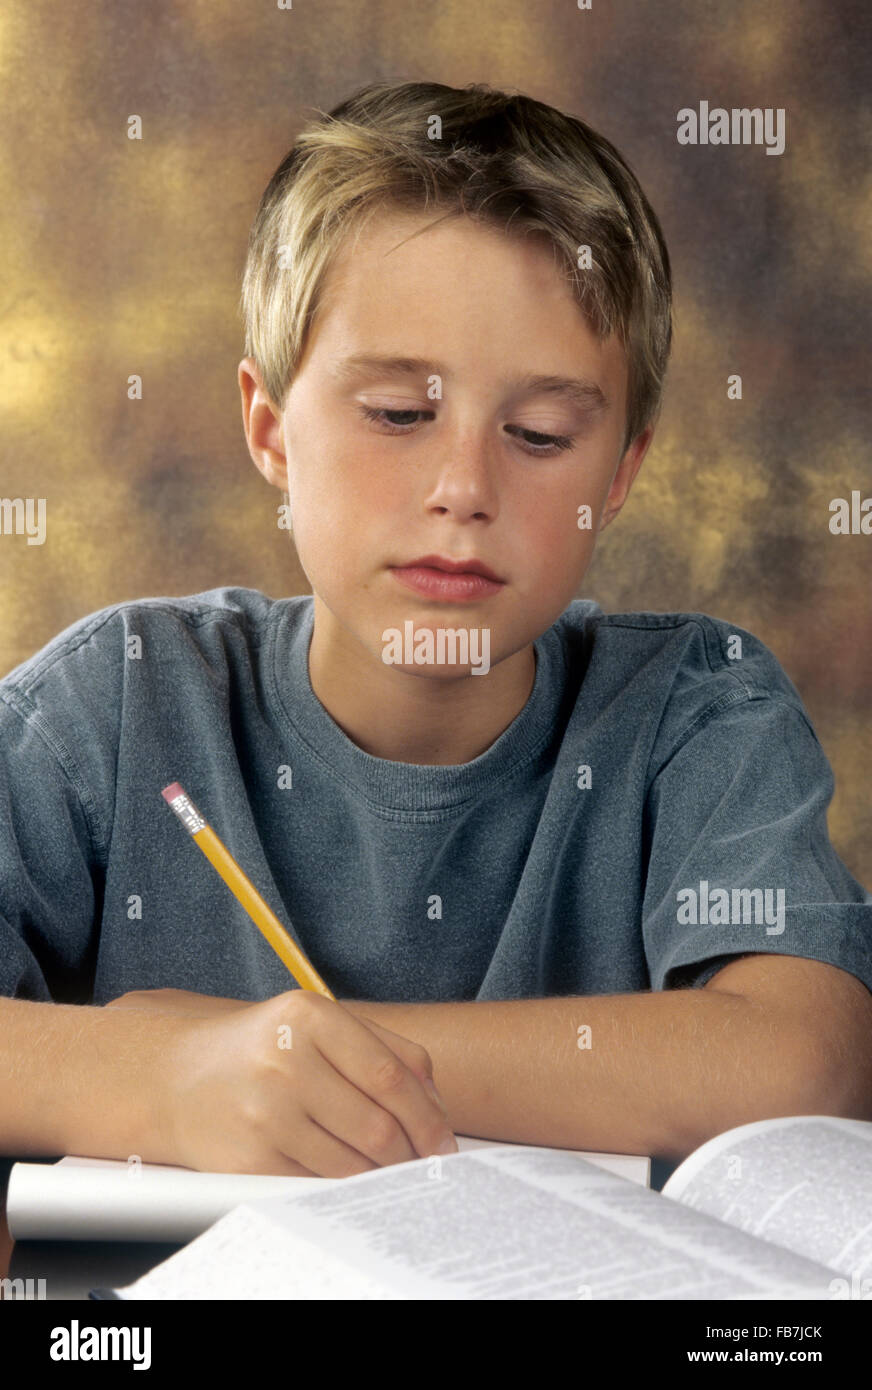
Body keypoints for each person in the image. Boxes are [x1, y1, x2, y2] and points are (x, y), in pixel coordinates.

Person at [1, 81, 870, 1179]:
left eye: (540, 433)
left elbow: (807, 1061)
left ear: (623, 469)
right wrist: (162, 1076)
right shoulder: (115, 703)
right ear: (270, 429)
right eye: (399, 416)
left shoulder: (694, 710)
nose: (462, 486)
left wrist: (308, 1067)